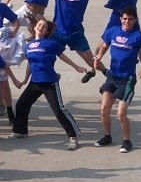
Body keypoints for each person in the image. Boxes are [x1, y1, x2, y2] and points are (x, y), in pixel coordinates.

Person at [11, 18, 86, 150]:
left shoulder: (51, 44)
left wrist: (76, 66)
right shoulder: (29, 46)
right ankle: (21, 131)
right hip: (35, 82)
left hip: (49, 82)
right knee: (21, 104)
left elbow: (62, 56)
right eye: (39, 25)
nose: (41, 27)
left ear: (47, 31)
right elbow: (30, 64)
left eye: (44, 26)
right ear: (35, 27)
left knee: (59, 110)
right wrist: (25, 80)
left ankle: (73, 137)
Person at [93, 7, 141, 153]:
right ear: (120, 19)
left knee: (121, 113)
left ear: (135, 20)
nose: (127, 21)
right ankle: (107, 137)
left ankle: (127, 141)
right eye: (124, 18)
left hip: (127, 80)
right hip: (112, 77)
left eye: (130, 19)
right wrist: (100, 55)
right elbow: (104, 44)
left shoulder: (138, 36)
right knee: (104, 109)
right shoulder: (113, 31)